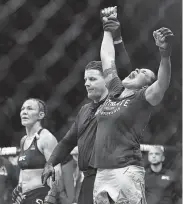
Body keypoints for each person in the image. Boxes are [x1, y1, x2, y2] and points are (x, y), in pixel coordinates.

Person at [41, 8, 132, 204]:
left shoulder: (117, 98)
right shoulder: (85, 110)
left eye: (92, 79)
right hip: (89, 180)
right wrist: (50, 162)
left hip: (113, 179)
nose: (86, 83)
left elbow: (125, 70)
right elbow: (67, 142)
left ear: (106, 80)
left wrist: (116, 38)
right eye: (85, 79)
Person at [90, 7, 174, 204]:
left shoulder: (142, 99)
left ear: (146, 85)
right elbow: (107, 58)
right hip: (102, 172)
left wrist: (164, 54)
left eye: (144, 72)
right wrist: (107, 29)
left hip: (126, 171)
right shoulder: (114, 89)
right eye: (137, 68)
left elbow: (162, 83)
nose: (136, 69)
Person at [12, 98, 61, 204]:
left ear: (41, 115)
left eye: (29, 109)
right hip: (24, 197)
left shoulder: (46, 138)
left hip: (41, 196)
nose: (24, 112)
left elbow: (56, 170)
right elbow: (23, 169)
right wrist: (19, 188)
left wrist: (51, 196)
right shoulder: (23, 140)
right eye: (22, 109)